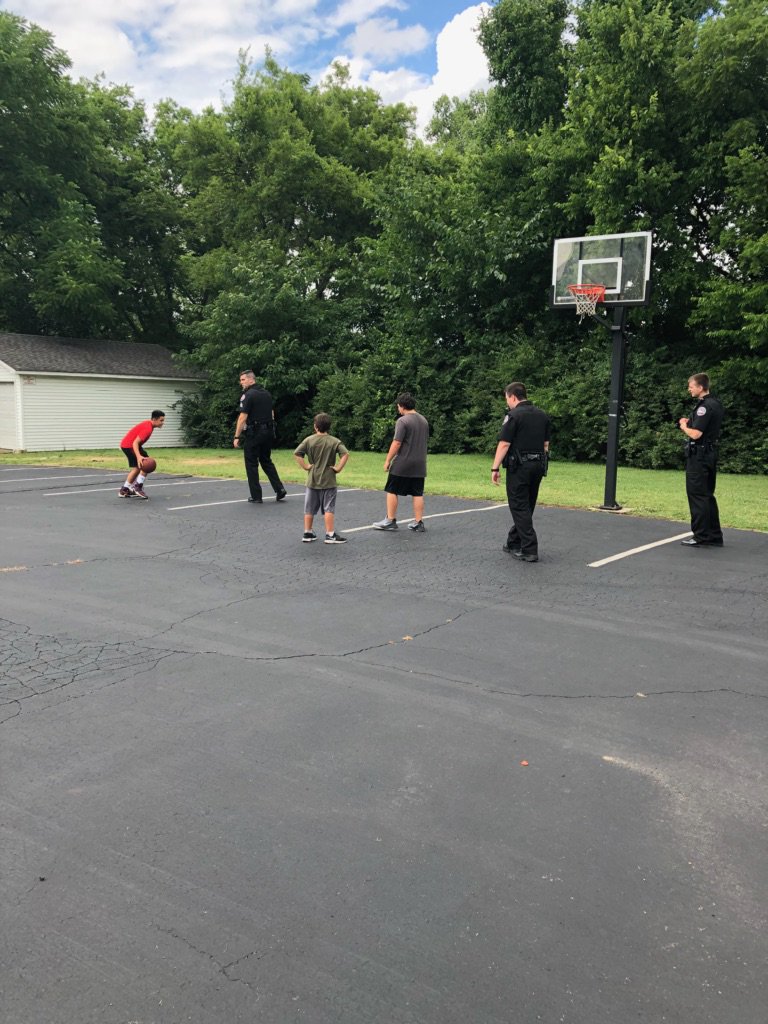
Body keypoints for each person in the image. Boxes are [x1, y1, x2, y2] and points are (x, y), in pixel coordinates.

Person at [491, 382, 550, 562]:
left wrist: (495, 467)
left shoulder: (513, 416)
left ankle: (529, 548)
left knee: (518, 505)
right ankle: (513, 541)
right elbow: (546, 445)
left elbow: (504, 443)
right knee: (528, 504)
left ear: (513, 397)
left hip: (519, 466)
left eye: (507, 398)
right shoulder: (542, 415)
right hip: (538, 465)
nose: (507, 402)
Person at [678, 372, 724, 547]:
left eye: (691, 386)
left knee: (697, 495)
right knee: (707, 495)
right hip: (710, 453)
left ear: (700, 387)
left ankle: (701, 535)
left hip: (699, 455)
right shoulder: (716, 403)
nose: (689, 389)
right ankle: (714, 535)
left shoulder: (704, 407)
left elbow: (696, 434)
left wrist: (684, 426)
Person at [372, 392, 429, 532]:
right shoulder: (424, 420)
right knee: (417, 493)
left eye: (398, 406)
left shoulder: (402, 421)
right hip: (420, 463)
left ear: (402, 406)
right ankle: (418, 522)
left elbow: (397, 442)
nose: (398, 409)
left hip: (403, 462)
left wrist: (387, 460)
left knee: (392, 489)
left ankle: (390, 520)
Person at [294, 413, 349, 544]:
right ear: (329, 426)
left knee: (309, 508)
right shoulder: (334, 441)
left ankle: (308, 532)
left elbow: (297, 453)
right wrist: (338, 468)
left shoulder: (309, 440)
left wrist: (306, 466)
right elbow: (345, 454)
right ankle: (330, 534)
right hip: (328, 479)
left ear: (315, 426)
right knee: (329, 507)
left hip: (312, 479)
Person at [233, 370, 287, 504]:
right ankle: (280, 489)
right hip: (268, 431)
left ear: (251, 379)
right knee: (266, 461)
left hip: (255, 432)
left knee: (251, 463)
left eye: (243, 380)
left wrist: (237, 436)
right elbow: (272, 413)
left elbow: (242, 417)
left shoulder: (248, 395)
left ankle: (256, 496)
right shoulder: (266, 394)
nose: (241, 383)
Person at [119, 411, 165, 499]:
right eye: (161, 420)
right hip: (129, 446)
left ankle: (126, 489)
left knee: (145, 463)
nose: (163, 423)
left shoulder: (149, 425)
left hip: (131, 445)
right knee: (141, 465)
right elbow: (135, 443)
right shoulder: (148, 428)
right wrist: (139, 457)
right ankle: (134, 487)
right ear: (154, 419)